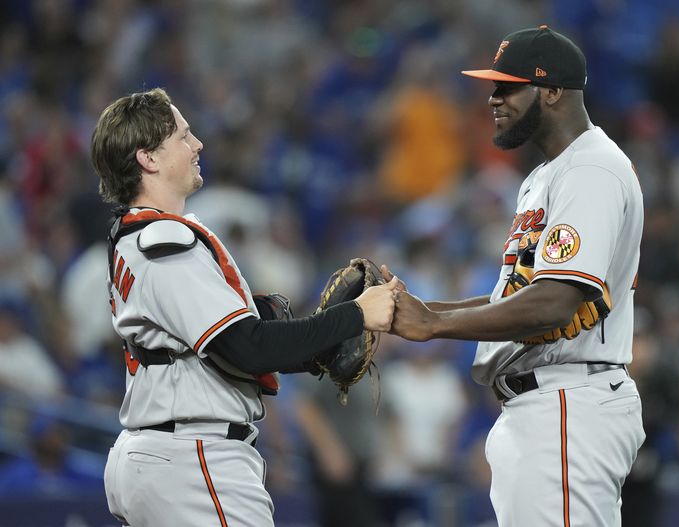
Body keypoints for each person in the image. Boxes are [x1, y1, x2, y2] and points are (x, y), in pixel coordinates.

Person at [90, 87, 399, 527]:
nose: (197, 145)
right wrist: (354, 316)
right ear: (149, 159)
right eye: (183, 136)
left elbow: (230, 347)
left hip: (169, 453)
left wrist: (315, 346)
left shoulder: (144, 237)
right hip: (193, 458)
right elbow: (245, 347)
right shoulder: (164, 242)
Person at [387, 26, 645, 526]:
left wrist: (436, 327)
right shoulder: (548, 175)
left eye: (508, 86)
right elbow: (520, 293)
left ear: (552, 91)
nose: (493, 98)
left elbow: (554, 302)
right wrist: (420, 310)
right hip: (545, 409)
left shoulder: (591, 170)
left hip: (567, 403)